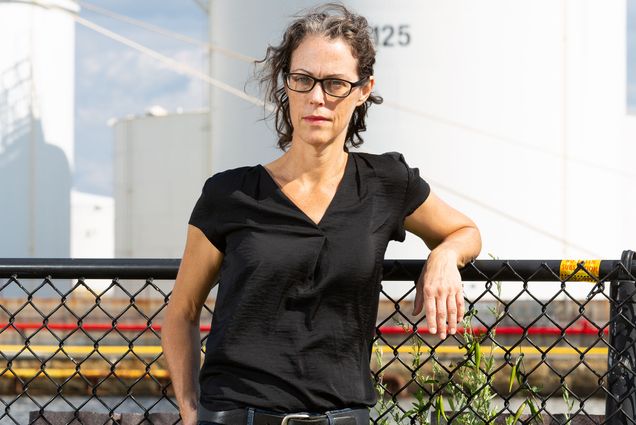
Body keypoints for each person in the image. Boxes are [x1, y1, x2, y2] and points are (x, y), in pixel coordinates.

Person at [161, 4, 481, 425]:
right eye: (303, 79)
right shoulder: (230, 192)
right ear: (286, 84)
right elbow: (181, 314)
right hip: (238, 415)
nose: (317, 98)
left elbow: (465, 230)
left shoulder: (386, 182)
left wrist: (443, 256)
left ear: (363, 89)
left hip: (344, 417)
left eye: (334, 84)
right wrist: (190, 413)